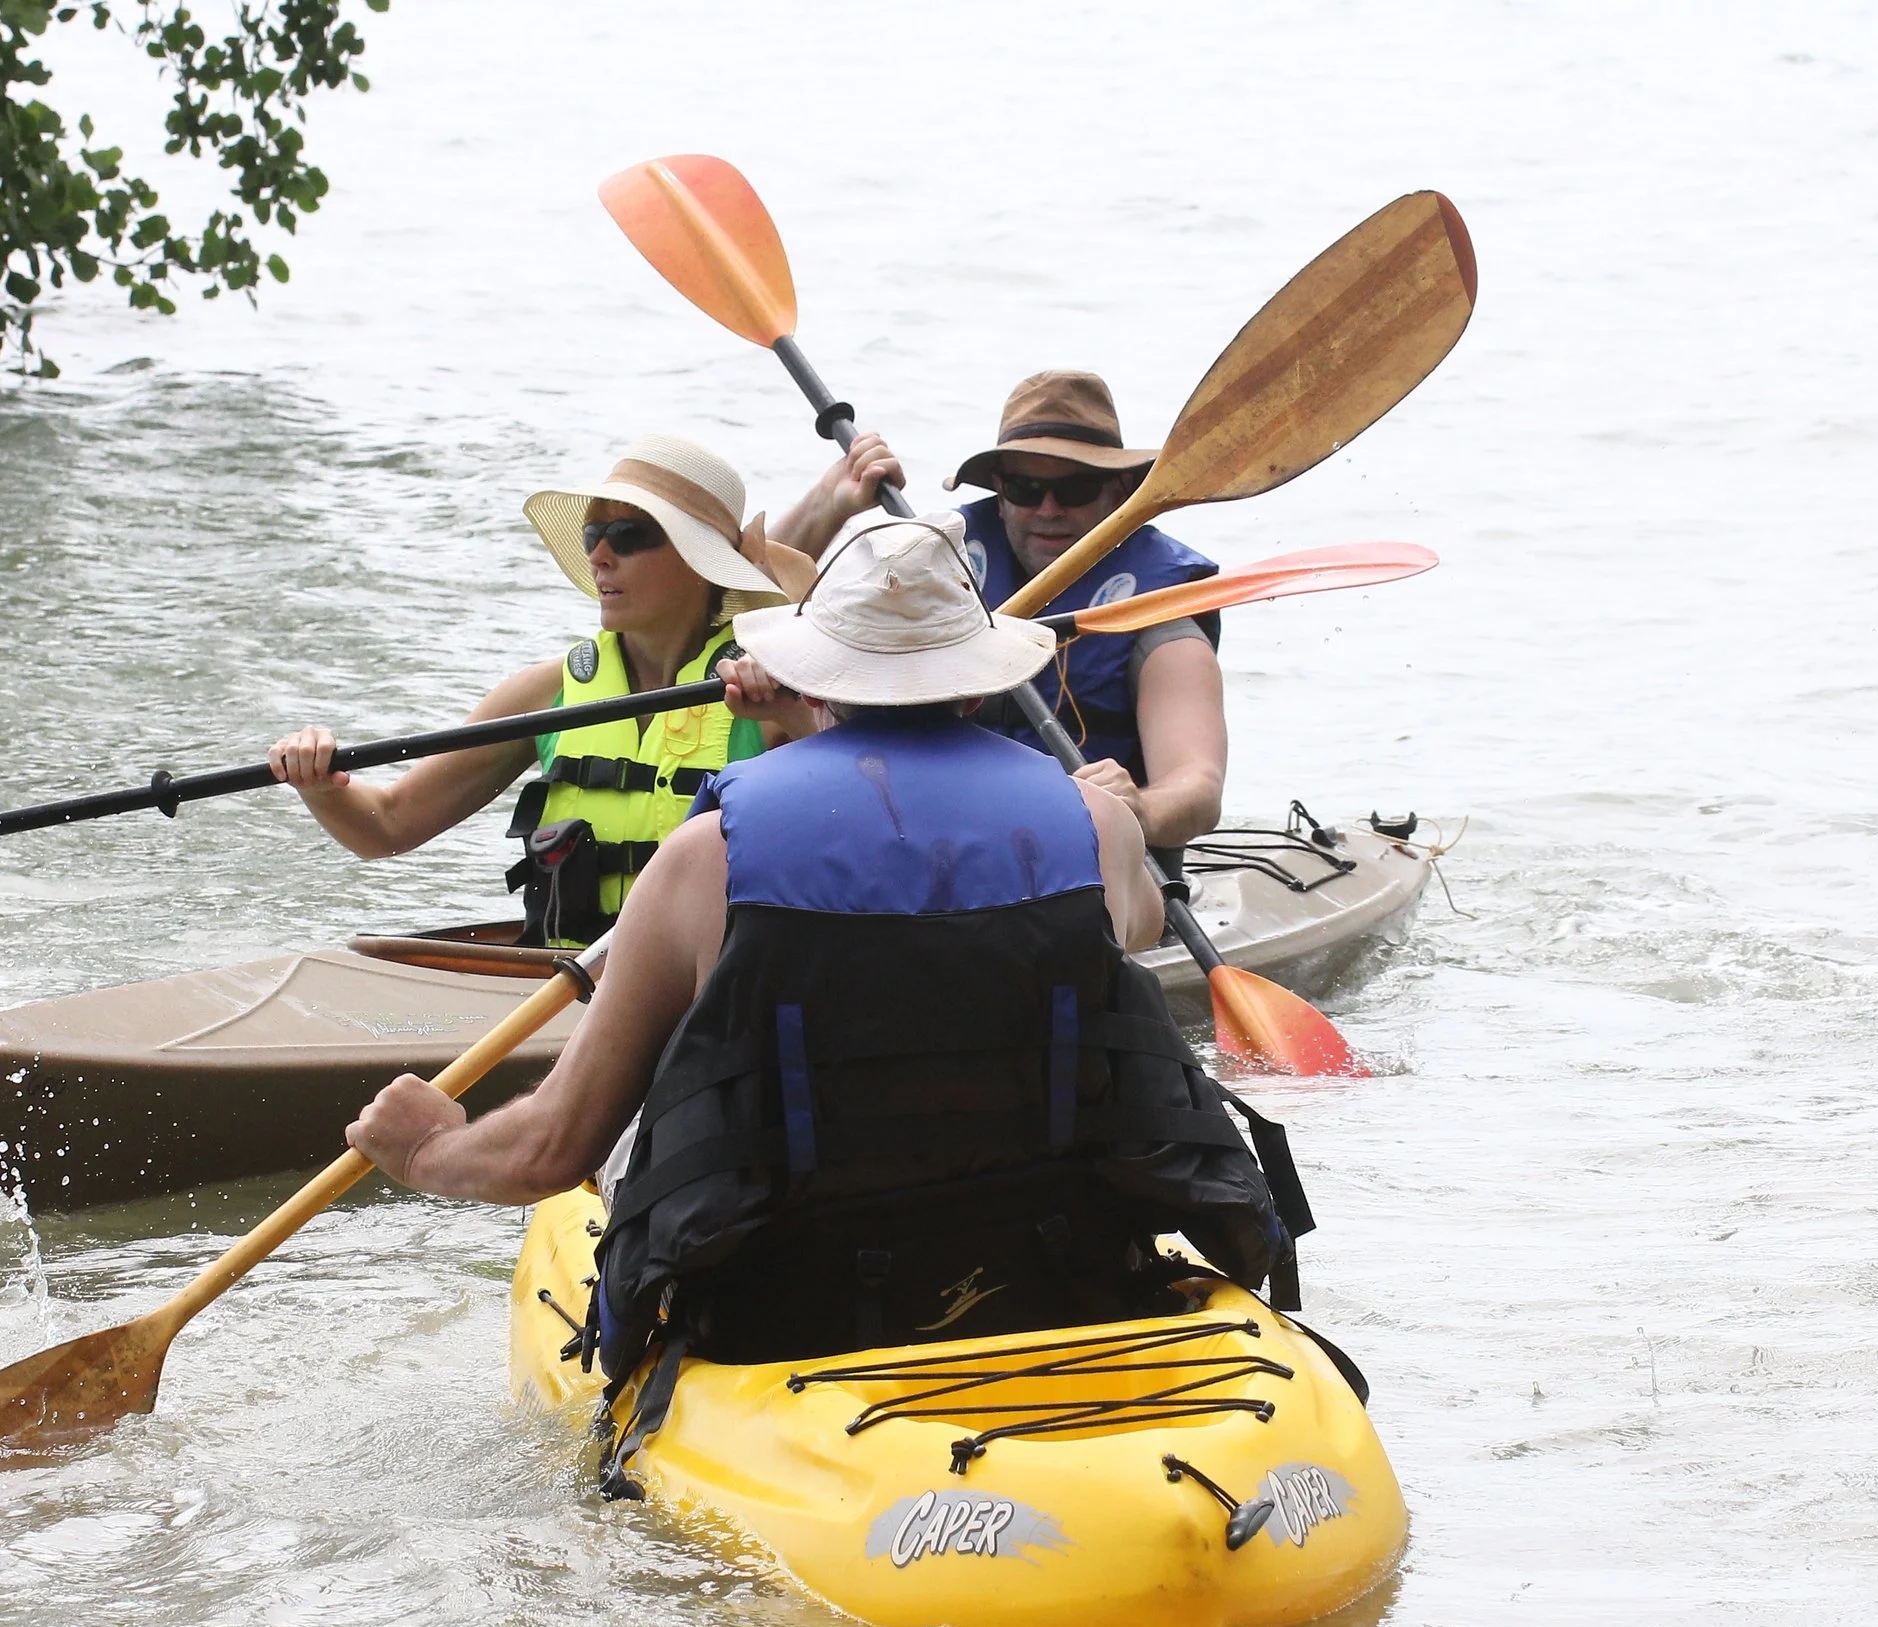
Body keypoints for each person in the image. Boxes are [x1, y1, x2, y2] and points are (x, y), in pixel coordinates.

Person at [347, 512, 1286, 1397]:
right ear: (978, 683)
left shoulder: (704, 860)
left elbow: (550, 1151)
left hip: (786, 1303)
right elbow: (1110, 949)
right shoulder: (1100, 827)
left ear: (814, 679)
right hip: (1054, 1269)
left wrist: (428, 1149)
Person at [270, 435, 815, 947]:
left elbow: (869, 823)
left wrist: (795, 718)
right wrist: (322, 786)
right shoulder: (548, 691)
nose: (599, 556)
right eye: (592, 537)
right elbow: (387, 826)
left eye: (626, 536)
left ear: (701, 561)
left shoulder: (770, 695)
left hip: (705, 988)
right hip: (563, 981)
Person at [773, 372, 1227, 849]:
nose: (1049, 509)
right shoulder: (938, 564)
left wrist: (1142, 810)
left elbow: (1197, 784)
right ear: (999, 490)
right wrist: (828, 506)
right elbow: (738, 600)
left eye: (1076, 489)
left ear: (1118, 491)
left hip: (1085, 863)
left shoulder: (1160, 612)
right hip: (932, 847)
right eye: (1026, 488)